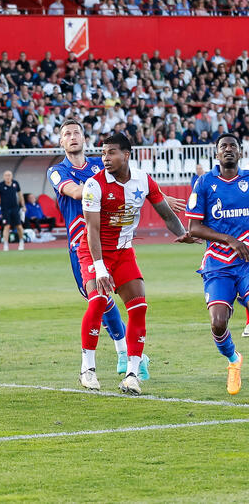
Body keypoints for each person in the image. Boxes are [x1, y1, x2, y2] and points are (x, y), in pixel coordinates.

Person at [77, 133, 198, 395]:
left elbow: (165, 212)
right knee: (98, 300)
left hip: (123, 252)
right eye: (103, 153)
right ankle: (87, 369)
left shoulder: (143, 180)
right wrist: (99, 269)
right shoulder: (94, 185)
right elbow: (92, 231)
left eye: (111, 153)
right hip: (94, 251)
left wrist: (181, 233)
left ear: (127, 155)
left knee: (139, 306)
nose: (105, 158)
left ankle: (132, 375)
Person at [47, 120, 133, 379]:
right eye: (66, 134)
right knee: (101, 301)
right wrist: (99, 190)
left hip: (110, 241)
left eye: (76, 133)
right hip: (80, 244)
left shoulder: (100, 164)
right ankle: (123, 350)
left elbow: (129, 183)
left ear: (85, 139)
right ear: (61, 142)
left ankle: (116, 355)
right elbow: (74, 192)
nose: (72, 137)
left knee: (106, 298)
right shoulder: (56, 170)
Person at [186, 134, 249, 394]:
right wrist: (230, 240)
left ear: (240, 152)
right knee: (218, 323)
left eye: (233, 146)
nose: (228, 150)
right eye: (223, 147)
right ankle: (234, 361)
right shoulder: (204, 183)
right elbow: (194, 227)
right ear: (216, 155)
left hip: (246, 261)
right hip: (218, 262)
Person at [0, 170, 25, 251]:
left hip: (15, 208)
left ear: (12, 176)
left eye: (9, 175)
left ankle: (21, 241)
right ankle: (5, 244)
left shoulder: (16, 183)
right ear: (4, 177)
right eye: (6, 175)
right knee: (7, 226)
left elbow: (20, 195)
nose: (8, 177)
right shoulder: (0, 185)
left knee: (19, 226)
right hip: (5, 209)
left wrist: (23, 206)